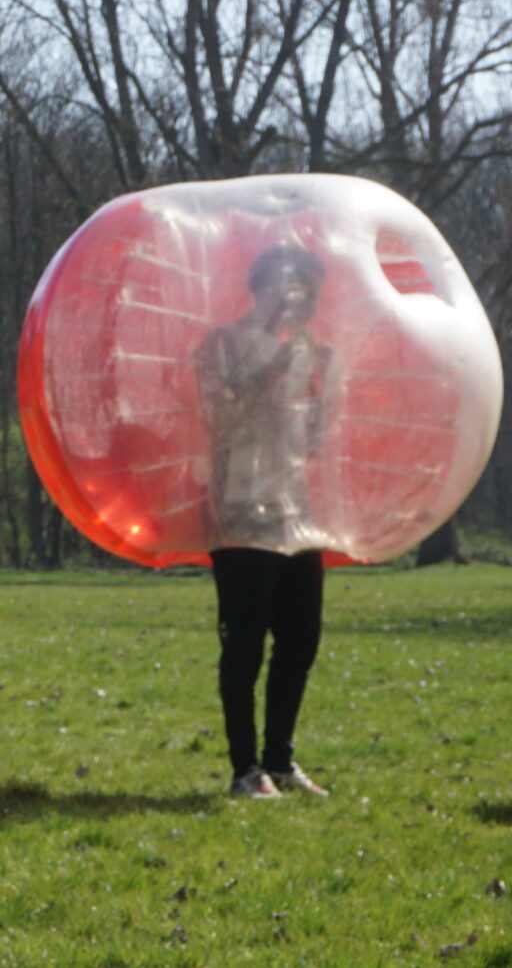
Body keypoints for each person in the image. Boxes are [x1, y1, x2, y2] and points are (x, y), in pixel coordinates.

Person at [196, 242, 335, 801]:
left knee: (300, 639)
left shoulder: (306, 350)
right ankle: (244, 769)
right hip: (238, 510)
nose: (297, 301)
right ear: (261, 287)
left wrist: (326, 388)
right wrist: (276, 369)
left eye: (306, 292)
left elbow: (313, 441)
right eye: (288, 287)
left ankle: (280, 761)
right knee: (245, 644)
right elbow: (219, 418)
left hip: (294, 513)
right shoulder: (222, 343)